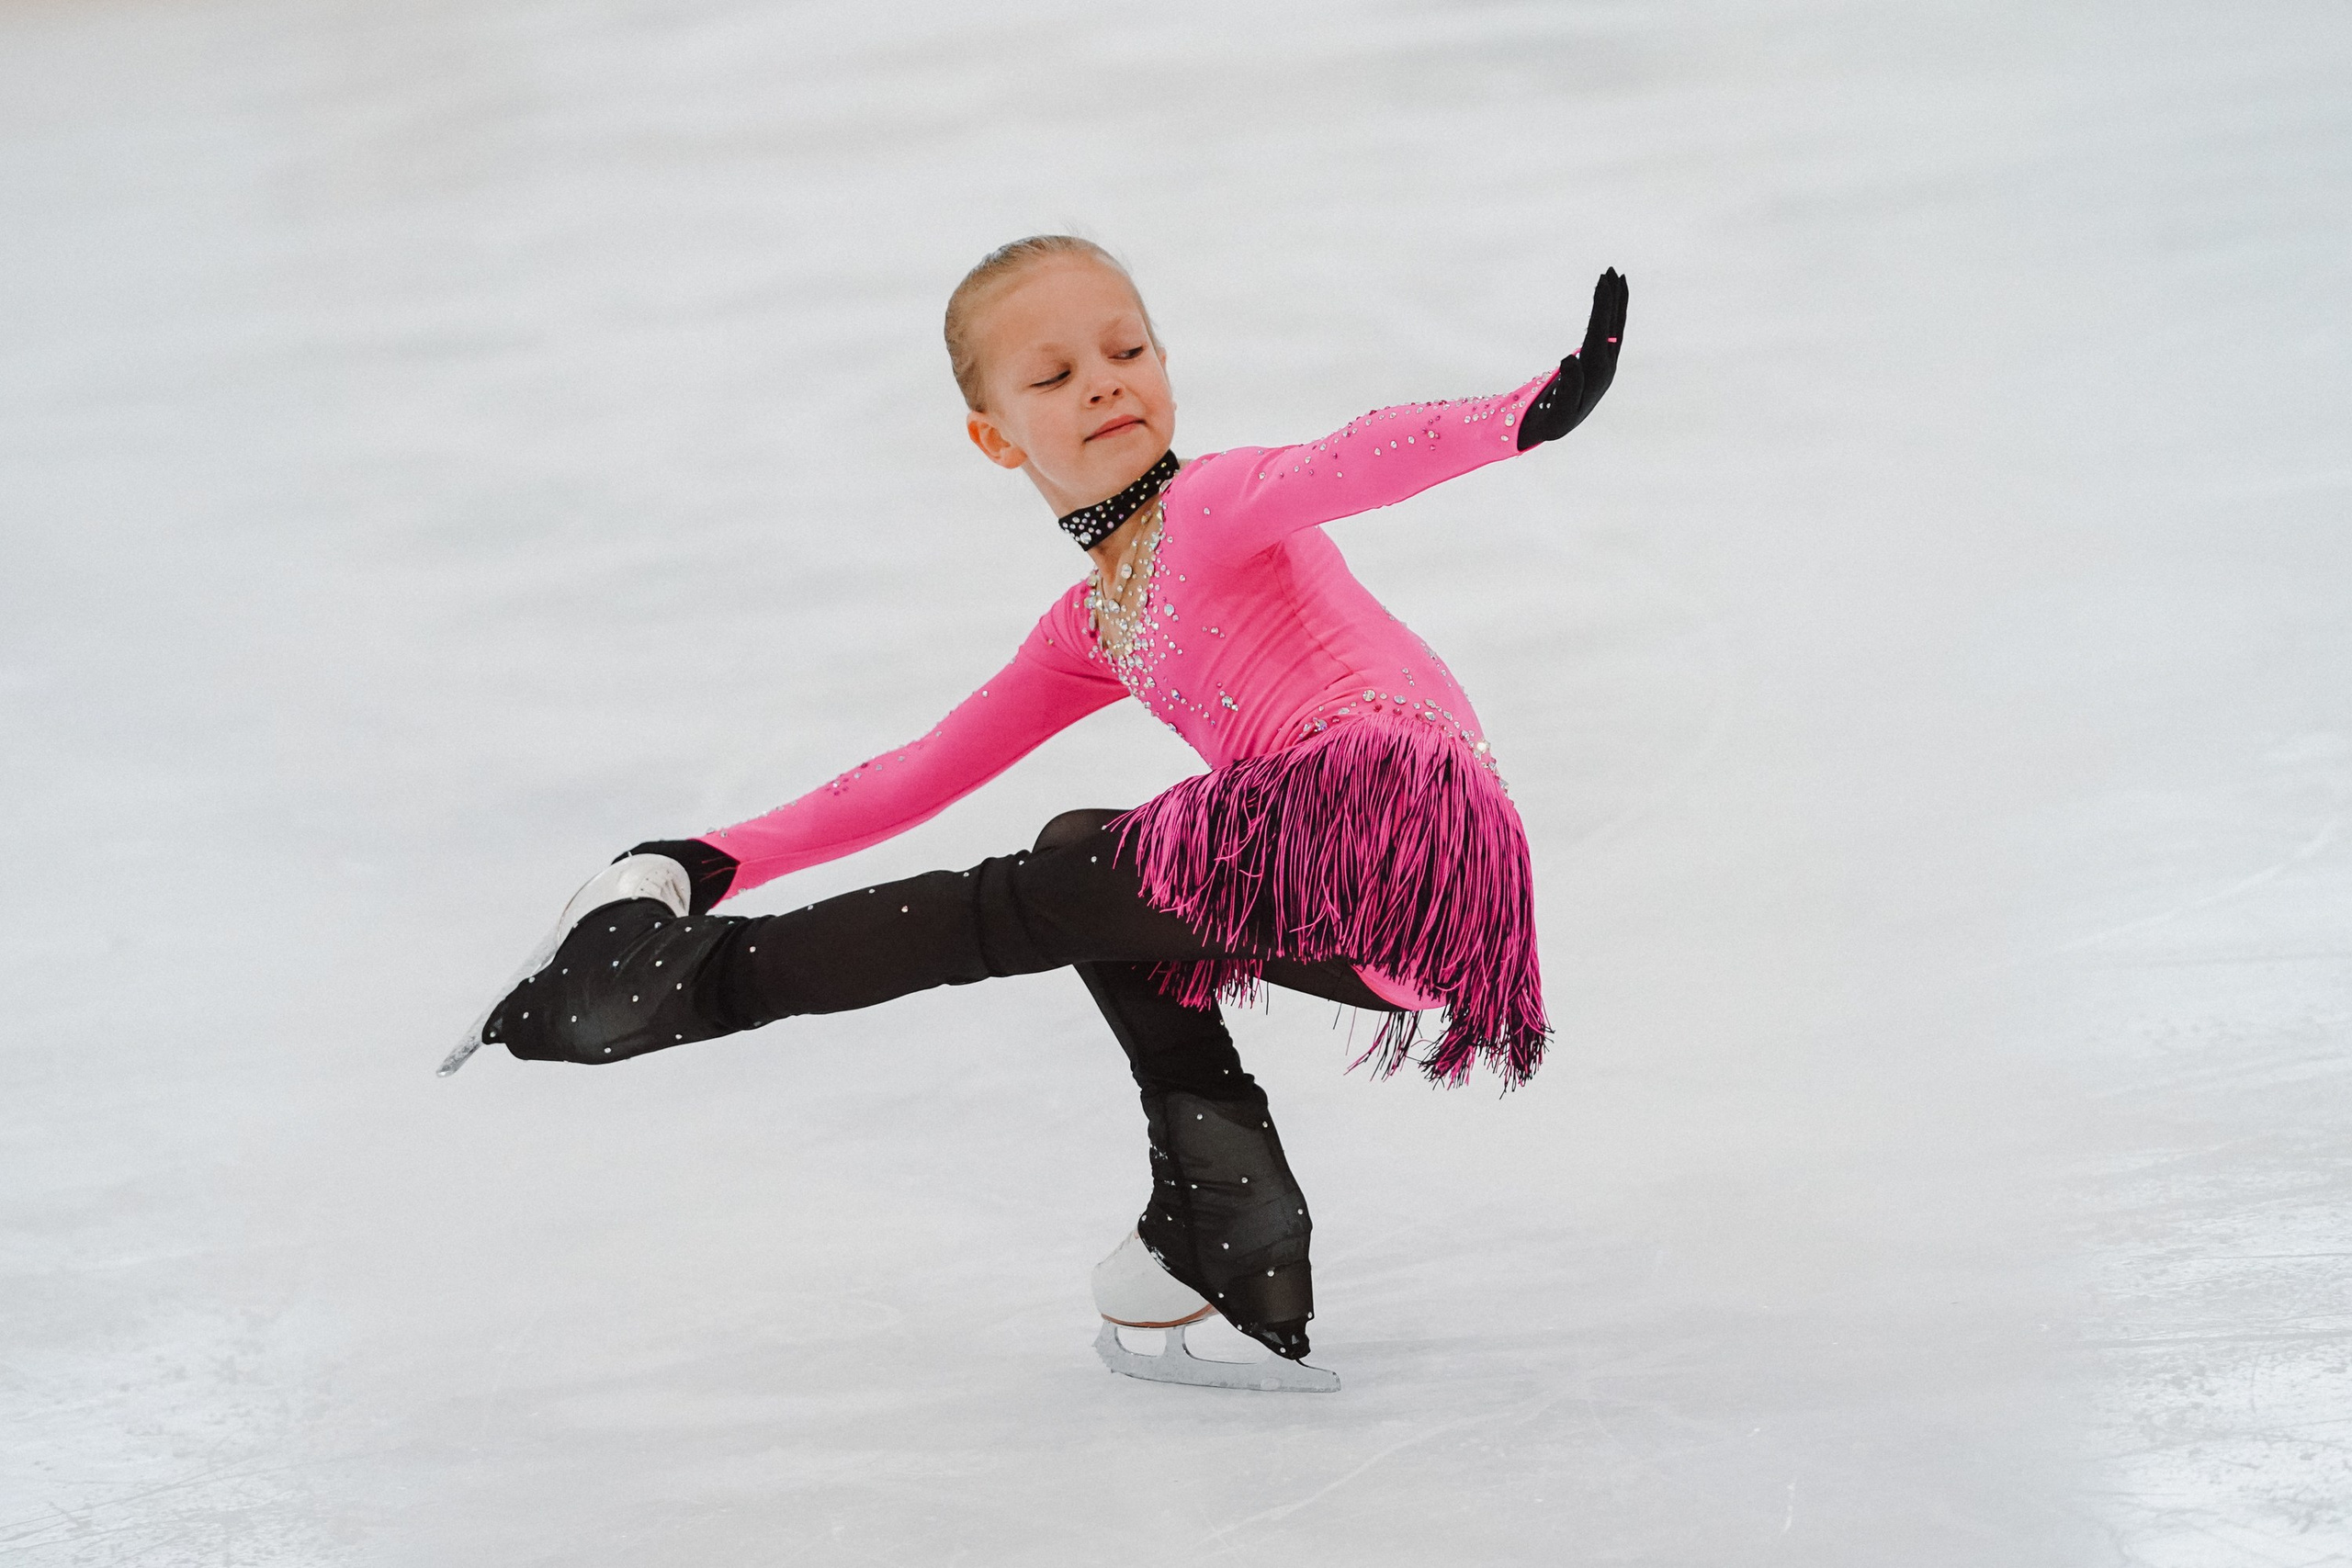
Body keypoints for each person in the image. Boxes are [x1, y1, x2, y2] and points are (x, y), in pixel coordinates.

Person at [450, 235, 1627, 1376]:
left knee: (1022, 904)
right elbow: (920, 772)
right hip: (1403, 930)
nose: (1105, 384)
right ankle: (1226, 1223)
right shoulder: (1097, 623)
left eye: (1128, 351)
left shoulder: (1212, 505)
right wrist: (708, 856)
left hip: (1387, 817)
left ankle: (672, 987)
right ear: (994, 436)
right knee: (1081, 863)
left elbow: (1351, 458)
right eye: (1055, 375)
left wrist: (1527, 413)